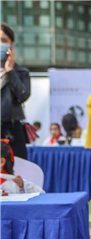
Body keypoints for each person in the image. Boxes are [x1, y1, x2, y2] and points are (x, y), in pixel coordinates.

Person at [1, 23, 31, 159]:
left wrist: (10, 71)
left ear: (11, 45)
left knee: (18, 172)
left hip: (12, 129)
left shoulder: (21, 72)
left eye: (3, 40)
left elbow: (23, 96)